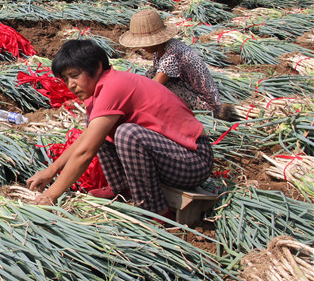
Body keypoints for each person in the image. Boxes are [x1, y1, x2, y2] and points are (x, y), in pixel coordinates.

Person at [26, 39, 213, 217]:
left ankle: (156, 212)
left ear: (98, 67)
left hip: (195, 160)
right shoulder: (99, 92)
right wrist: (50, 171)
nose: (71, 85)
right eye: (66, 80)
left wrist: (51, 195)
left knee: (127, 133)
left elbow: (86, 152)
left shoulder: (114, 86)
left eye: (75, 76)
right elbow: (88, 138)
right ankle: (122, 188)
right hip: (171, 156)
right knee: (98, 130)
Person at [119, 9, 222, 116]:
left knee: (158, 89)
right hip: (188, 90)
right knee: (149, 75)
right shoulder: (161, 49)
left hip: (206, 105)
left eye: (144, 43)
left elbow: (154, 86)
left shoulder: (172, 54)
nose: (142, 47)